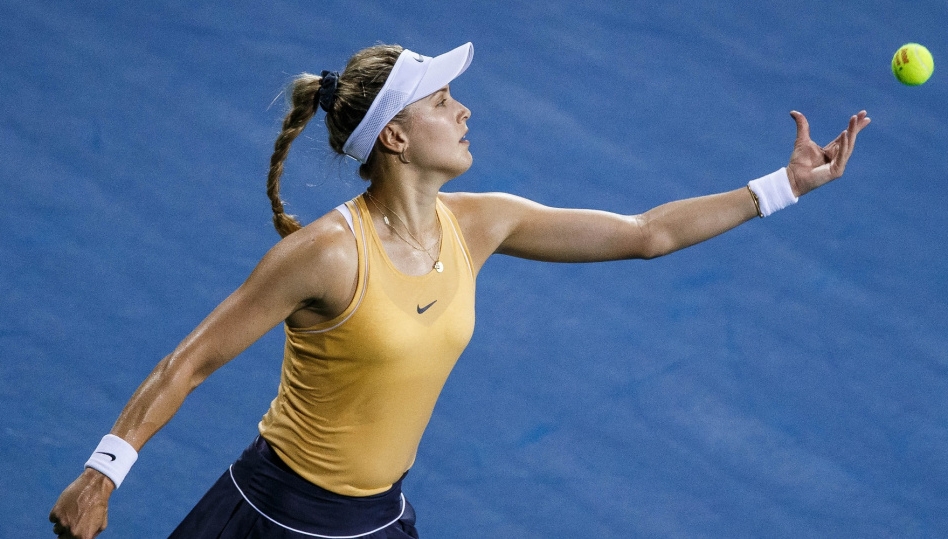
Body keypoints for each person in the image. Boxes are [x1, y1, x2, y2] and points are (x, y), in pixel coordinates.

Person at [49, 41, 870, 538]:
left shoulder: (481, 222)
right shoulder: (327, 255)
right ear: (397, 136)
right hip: (271, 518)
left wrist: (783, 186)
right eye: (445, 102)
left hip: (376, 519)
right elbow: (190, 359)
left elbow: (645, 233)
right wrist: (101, 473)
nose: (465, 110)